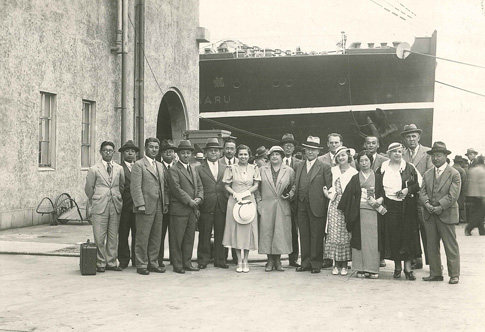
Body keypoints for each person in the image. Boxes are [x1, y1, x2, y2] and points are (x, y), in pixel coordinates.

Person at [377, 142, 421, 280]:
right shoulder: (382, 168)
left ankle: (408, 269)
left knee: (407, 236)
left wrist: (407, 190)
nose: (397, 154)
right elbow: (377, 185)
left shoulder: (409, 167)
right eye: (394, 151)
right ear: (389, 154)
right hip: (389, 206)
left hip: (406, 206)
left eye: (399, 151)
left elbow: (419, 184)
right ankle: (397, 267)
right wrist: (380, 199)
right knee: (394, 236)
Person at [339, 150, 386, 279]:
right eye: (361, 161)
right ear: (357, 163)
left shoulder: (378, 177)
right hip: (358, 213)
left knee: (373, 242)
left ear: (371, 161)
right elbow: (347, 196)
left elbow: (383, 193)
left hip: (374, 212)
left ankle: (372, 269)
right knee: (358, 241)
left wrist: (379, 200)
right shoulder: (355, 178)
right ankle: (360, 268)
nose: (364, 163)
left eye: (366, 160)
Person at [419, 141, 461, 284]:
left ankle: (454, 274)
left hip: (446, 214)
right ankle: (435, 273)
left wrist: (439, 206)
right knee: (431, 245)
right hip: (430, 214)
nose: (435, 158)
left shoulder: (454, 174)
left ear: (445, 156)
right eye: (433, 156)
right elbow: (422, 192)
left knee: (450, 246)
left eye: (439, 155)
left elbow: (453, 195)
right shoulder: (427, 174)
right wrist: (427, 204)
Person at [84, 141, 125, 272]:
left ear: (114, 152)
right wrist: (96, 198)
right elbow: (89, 188)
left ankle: (111, 262)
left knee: (113, 236)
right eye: (105, 150)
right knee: (99, 236)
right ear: (101, 152)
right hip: (99, 205)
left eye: (110, 150)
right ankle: (100, 263)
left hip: (115, 205)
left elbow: (122, 186)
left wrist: (116, 196)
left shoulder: (119, 168)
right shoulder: (94, 169)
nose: (108, 152)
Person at [131, 137, 170, 275]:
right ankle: (141, 264)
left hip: (158, 205)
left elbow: (163, 186)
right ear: (145, 148)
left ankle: (153, 263)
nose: (154, 150)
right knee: (142, 236)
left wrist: (165, 202)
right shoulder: (139, 165)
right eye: (151, 147)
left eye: (156, 147)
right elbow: (135, 187)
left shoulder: (160, 165)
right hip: (145, 206)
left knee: (156, 236)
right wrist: (140, 204)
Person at [294, 136, 332, 273]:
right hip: (301, 205)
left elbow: (329, 187)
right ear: (304, 151)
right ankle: (305, 263)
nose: (310, 152)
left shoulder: (325, 167)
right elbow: (296, 184)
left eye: (313, 150)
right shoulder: (299, 166)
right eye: (308, 149)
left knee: (316, 235)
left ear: (318, 152)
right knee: (303, 234)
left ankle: (316, 263)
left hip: (317, 206)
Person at [168, 140, 204, 274]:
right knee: (177, 239)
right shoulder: (173, 169)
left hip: (192, 209)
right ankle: (177, 265)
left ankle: (187, 263)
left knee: (189, 238)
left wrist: (199, 198)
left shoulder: (194, 169)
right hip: (179, 209)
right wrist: (189, 201)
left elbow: (200, 186)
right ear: (178, 154)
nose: (186, 155)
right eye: (183, 153)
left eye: (188, 153)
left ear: (191, 154)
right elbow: (176, 189)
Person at [222, 144, 260, 273]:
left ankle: (246, 261)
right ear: (237, 155)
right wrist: (235, 193)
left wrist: (246, 193)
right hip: (235, 201)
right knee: (237, 231)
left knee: (248, 231)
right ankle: (239, 261)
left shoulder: (254, 168)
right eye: (241, 154)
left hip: (249, 200)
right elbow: (226, 185)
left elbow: (256, 184)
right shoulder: (231, 168)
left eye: (245, 154)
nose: (243, 156)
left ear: (249, 156)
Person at [257, 146, 296, 272]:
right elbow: (256, 188)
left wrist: (289, 194)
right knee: (267, 232)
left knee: (279, 233)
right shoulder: (262, 170)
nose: (274, 156)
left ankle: (278, 261)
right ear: (268, 156)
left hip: (281, 205)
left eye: (277, 154)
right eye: (272, 154)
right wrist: (259, 202)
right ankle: (269, 260)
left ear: (282, 157)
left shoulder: (289, 171)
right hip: (266, 205)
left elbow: (294, 186)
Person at [401, 124, 432, 270]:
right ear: (405, 139)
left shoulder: (427, 153)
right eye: (408, 136)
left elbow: (430, 176)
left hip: (422, 198)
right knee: (410, 230)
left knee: (426, 229)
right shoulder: (402, 154)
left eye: (414, 136)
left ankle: (433, 262)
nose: (411, 139)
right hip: (407, 199)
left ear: (419, 137)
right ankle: (416, 259)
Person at [323, 146, 358, 276]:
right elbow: (329, 186)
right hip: (334, 205)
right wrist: (328, 194)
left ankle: (344, 265)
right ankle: (335, 264)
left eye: (343, 155)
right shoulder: (333, 171)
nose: (341, 158)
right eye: (339, 156)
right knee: (333, 234)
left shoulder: (354, 172)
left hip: (347, 206)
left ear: (348, 157)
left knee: (345, 234)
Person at [196, 138, 229, 269]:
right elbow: (197, 187)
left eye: (216, 150)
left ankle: (220, 260)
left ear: (220, 153)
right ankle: (203, 260)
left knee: (221, 233)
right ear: (206, 153)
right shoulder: (198, 169)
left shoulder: (226, 168)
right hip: (206, 204)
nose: (214, 153)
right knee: (204, 233)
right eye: (211, 151)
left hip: (222, 204)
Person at [280, 133, 303, 267]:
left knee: (294, 230)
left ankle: (293, 258)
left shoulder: (299, 163)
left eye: (291, 146)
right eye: (285, 146)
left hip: (293, 201)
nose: (288, 148)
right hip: (278, 201)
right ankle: (276, 258)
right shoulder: (275, 160)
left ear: (294, 148)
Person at [118, 140, 139, 269]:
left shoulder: (139, 166)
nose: (130, 154)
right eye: (127, 151)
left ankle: (137, 260)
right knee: (123, 234)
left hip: (137, 207)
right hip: (124, 207)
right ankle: (123, 260)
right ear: (123, 154)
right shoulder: (119, 168)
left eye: (132, 151)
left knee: (137, 234)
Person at [158, 139, 176, 267]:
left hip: (177, 205)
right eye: (166, 151)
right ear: (161, 154)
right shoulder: (158, 166)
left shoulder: (178, 166)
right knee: (160, 233)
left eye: (171, 151)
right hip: (162, 205)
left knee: (175, 234)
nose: (169, 154)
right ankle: (158, 259)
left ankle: (174, 259)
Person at [220, 137, 239, 263]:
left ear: (235, 150)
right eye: (227, 148)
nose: (229, 151)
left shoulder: (241, 161)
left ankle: (237, 257)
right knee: (223, 229)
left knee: (237, 229)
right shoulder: (218, 162)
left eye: (232, 148)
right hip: (221, 200)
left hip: (237, 201)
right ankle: (222, 258)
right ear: (223, 149)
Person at [464, 155, 485, 236]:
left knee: (477, 212)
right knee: (479, 213)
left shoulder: (472, 170)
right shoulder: (482, 171)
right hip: (479, 195)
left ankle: (482, 230)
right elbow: (482, 185)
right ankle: (469, 228)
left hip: (471, 194)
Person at [451, 155, 467, 223]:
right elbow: (464, 183)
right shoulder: (462, 170)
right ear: (461, 162)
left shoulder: (450, 168)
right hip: (459, 191)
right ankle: (459, 219)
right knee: (459, 205)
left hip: (450, 190)